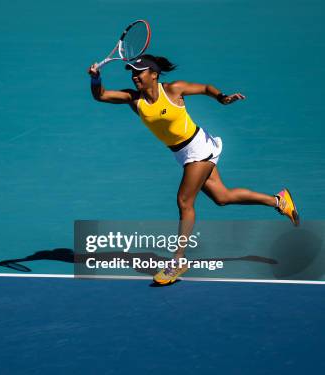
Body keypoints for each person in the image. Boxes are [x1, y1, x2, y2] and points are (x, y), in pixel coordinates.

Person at [87, 54, 299, 285]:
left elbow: (206, 88)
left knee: (185, 202)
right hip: (182, 154)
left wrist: (222, 98)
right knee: (222, 197)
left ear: (154, 74)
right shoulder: (133, 98)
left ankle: (178, 260)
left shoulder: (173, 90)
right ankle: (279, 201)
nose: (135, 76)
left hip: (198, 148)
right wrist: (96, 78)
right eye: (132, 72)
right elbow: (101, 96)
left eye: (139, 72)